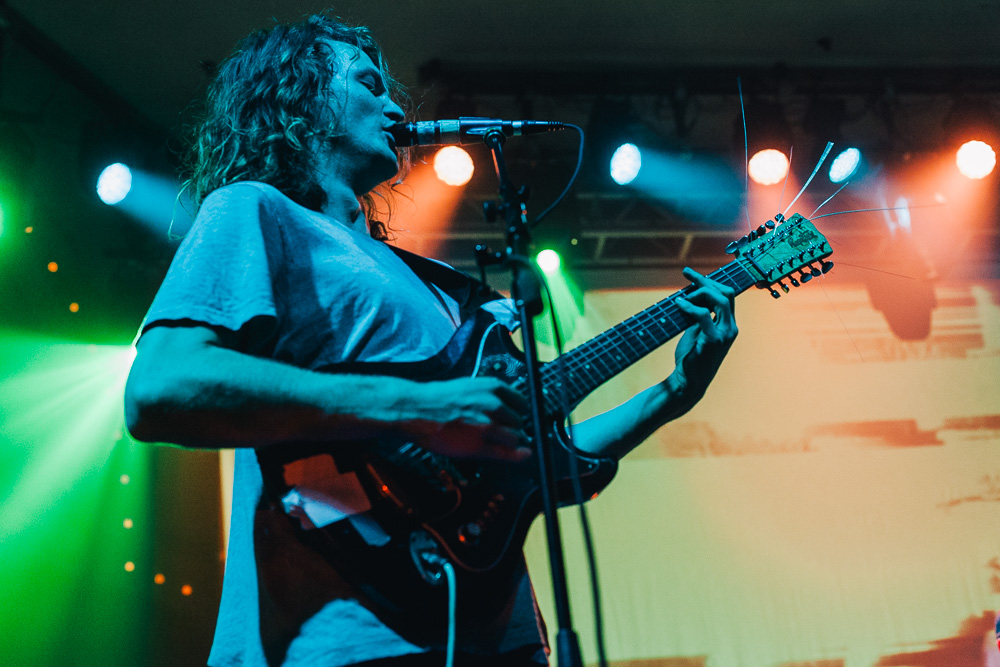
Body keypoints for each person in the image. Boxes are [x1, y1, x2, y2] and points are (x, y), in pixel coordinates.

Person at [123, 13, 738, 667]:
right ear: (300, 98)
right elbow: (162, 385)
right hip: (350, 631)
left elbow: (541, 468)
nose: (395, 104)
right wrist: (418, 407)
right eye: (369, 83)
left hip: (495, 634)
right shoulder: (256, 210)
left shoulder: (443, 288)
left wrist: (675, 391)